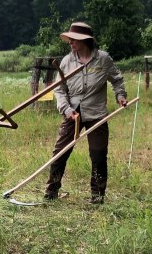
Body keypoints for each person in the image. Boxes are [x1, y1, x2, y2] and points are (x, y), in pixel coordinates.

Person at [44, 21, 127, 204]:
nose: (70, 43)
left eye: (74, 39)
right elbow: (59, 89)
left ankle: (97, 197)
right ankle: (51, 192)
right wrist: (66, 109)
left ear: (85, 40)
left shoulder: (103, 59)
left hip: (96, 113)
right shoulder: (67, 61)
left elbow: (117, 79)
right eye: (70, 39)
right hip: (72, 113)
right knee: (60, 153)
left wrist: (120, 96)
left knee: (98, 155)